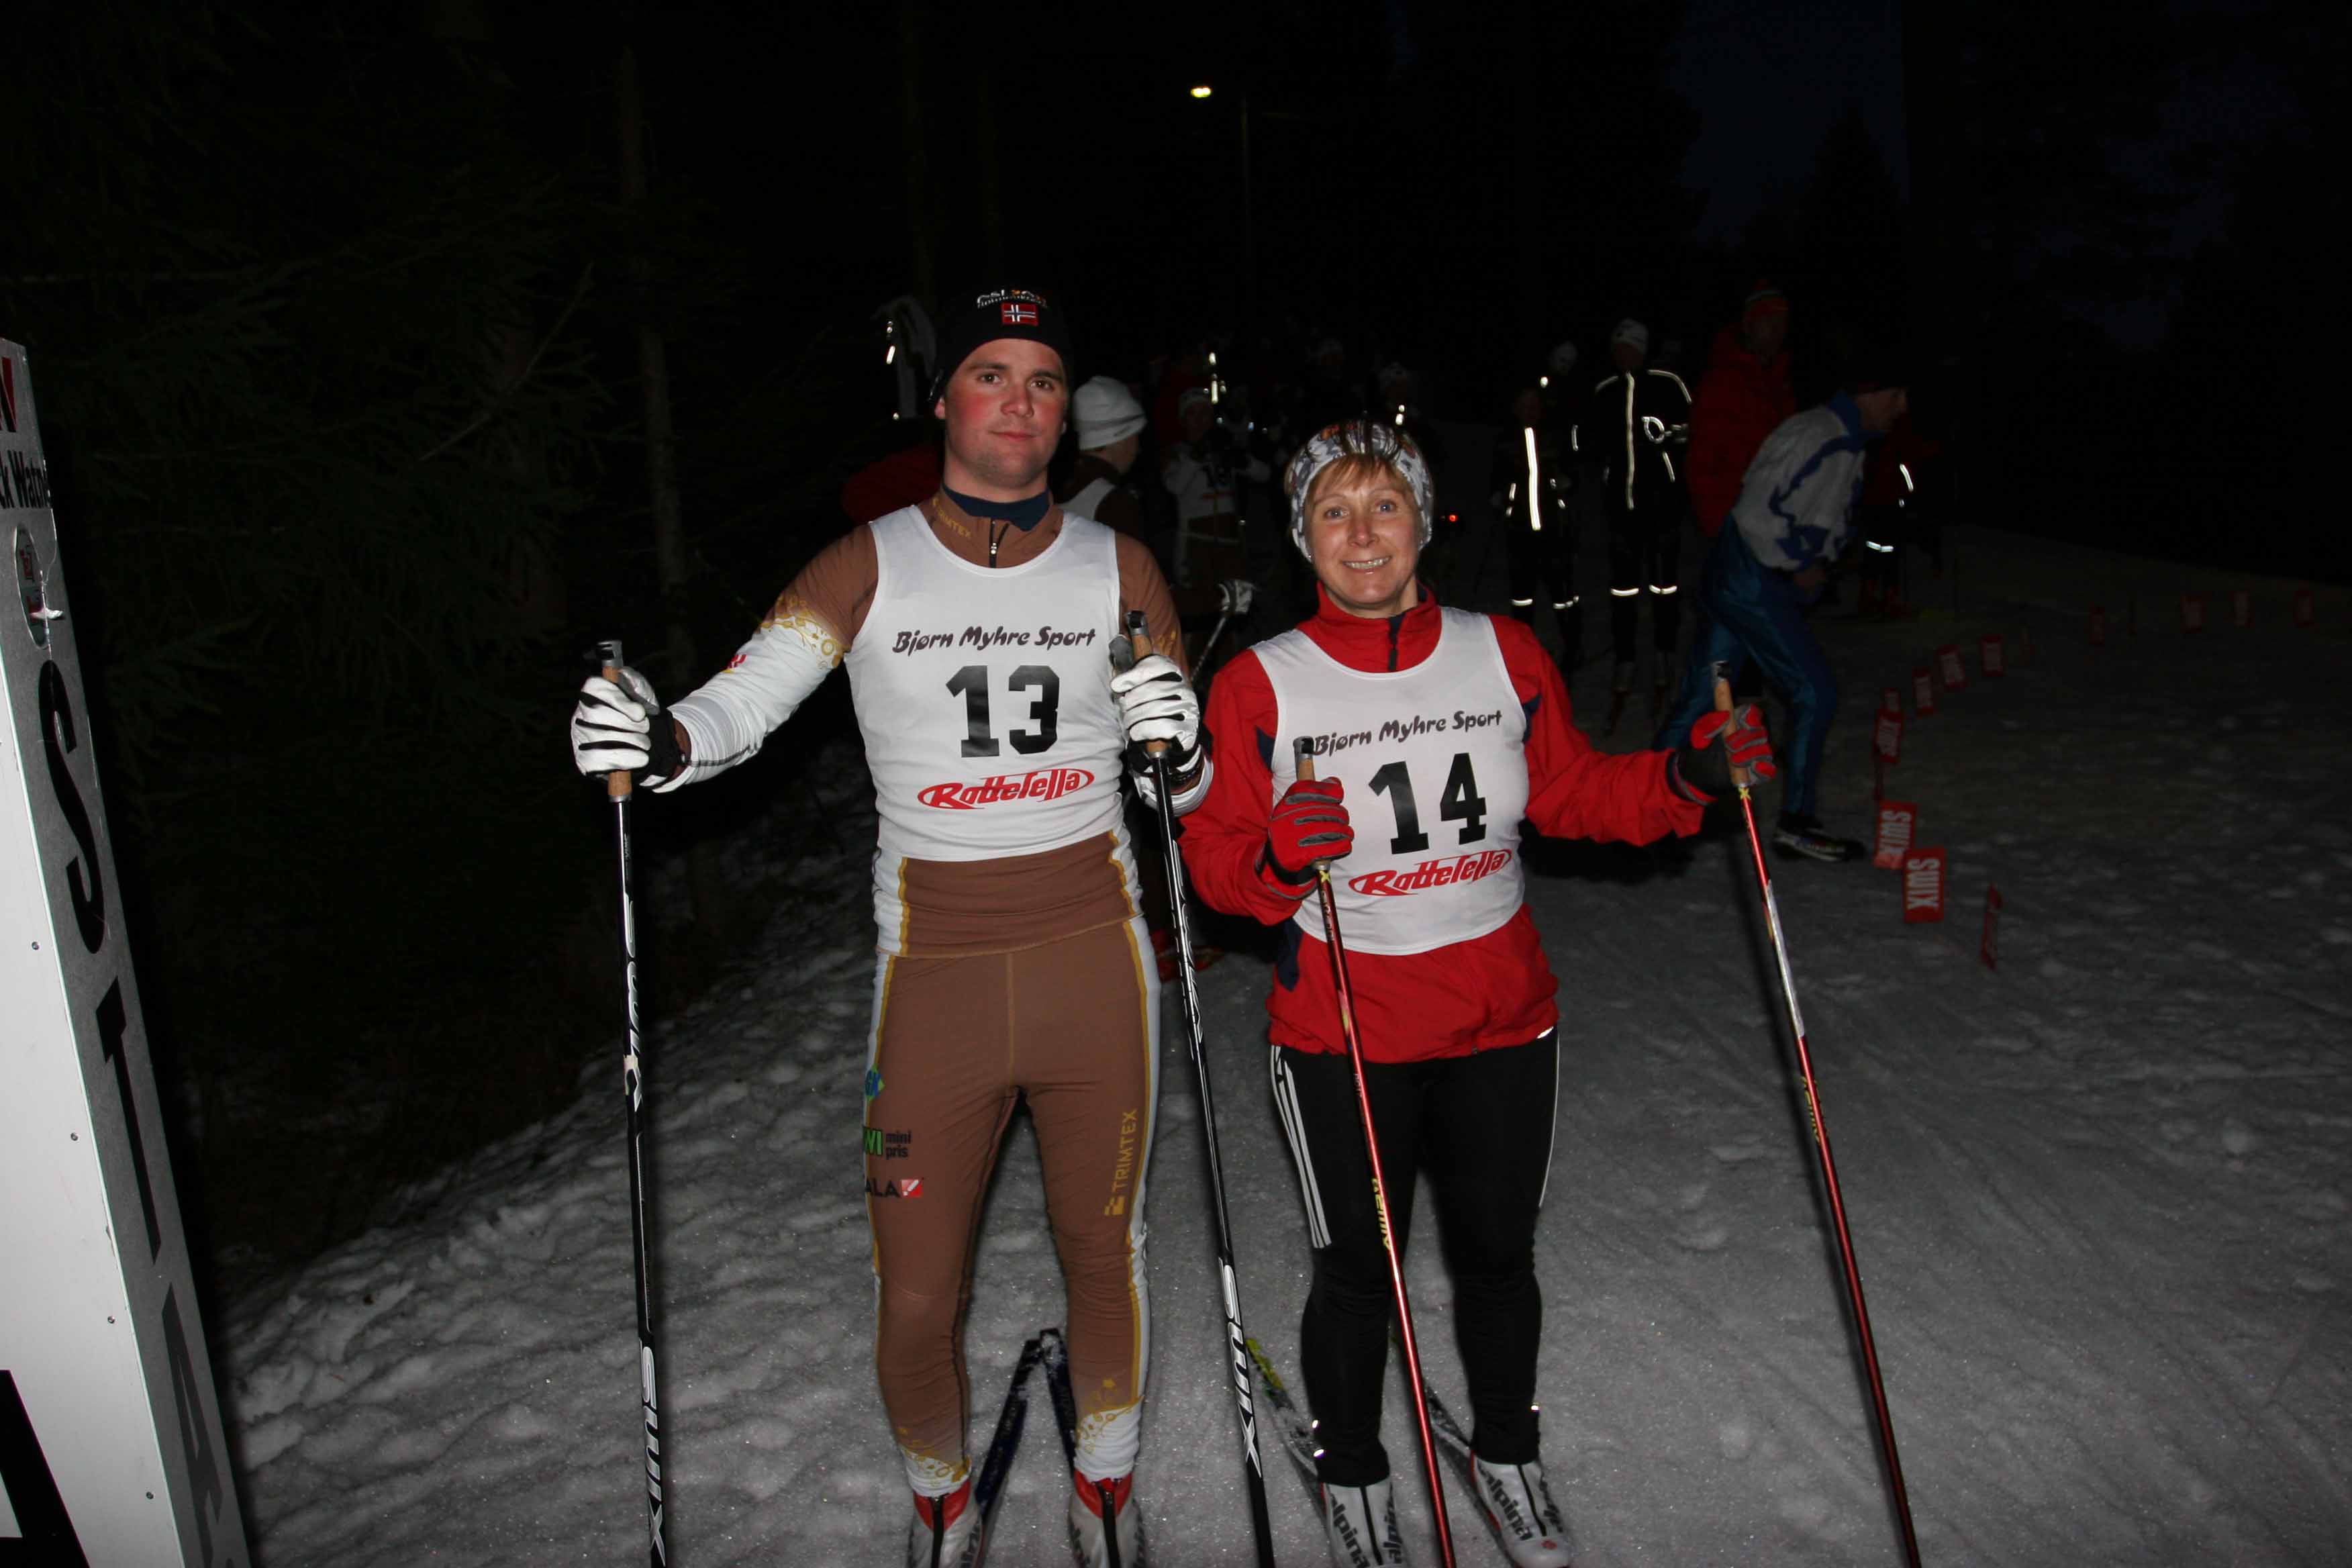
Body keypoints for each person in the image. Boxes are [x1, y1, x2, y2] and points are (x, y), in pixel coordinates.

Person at [570, 285, 1204, 1568]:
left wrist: (1178, 749)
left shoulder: (1117, 562)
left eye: (1040, 378)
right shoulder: (867, 556)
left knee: (1103, 1243)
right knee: (914, 1288)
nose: (1018, 400)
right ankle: (935, 1488)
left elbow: (1176, 776)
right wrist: (660, 734)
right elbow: (742, 705)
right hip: (937, 975)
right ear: (941, 398)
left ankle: (1107, 1481)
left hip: (1095, 954)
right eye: (990, 373)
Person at [1177, 418, 1773, 1567]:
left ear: (1420, 521)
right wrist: (1273, 859)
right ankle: (1352, 1464)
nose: (1362, 533)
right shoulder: (1260, 685)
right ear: (1303, 538)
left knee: (1497, 1259)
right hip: (1344, 1031)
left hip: (1503, 1018)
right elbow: (1214, 865)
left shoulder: (1499, 651)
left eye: (1383, 505)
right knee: (1360, 1269)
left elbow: (1570, 792)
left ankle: (1508, 1451)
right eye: (1333, 513)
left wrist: (1686, 773)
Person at [1655, 379, 1910, 863]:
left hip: (1749, 578)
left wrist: (1824, 558)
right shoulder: (1819, 433)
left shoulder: (1848, 441)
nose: (1902, 408)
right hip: (1753, 580)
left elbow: (1817, 513)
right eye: (1896, 395)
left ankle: (1641, 805)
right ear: (1869, 392)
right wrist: (1800, 562)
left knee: (1701, 693)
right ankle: (1797, 822)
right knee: (1815, 690)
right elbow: (1755, 511)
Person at [1575, 318, 1692, 727]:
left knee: (1664, 588)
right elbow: (1586, 440)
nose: (1622, 353)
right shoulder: (1605, 390)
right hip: (1620, 510)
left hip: (1662, 507)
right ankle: (1625, 660)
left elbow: (1692, 432)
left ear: (1642, 349)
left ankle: (1665, 655)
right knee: (1623, 591)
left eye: (1630, 347)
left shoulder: (1667, 383)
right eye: (1618, 346)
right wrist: (1579, 443)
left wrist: (1668, 435)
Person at [1685, 282, 1794, 540]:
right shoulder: (1724, 382)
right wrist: (1722, 530)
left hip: (1779, 527)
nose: (1777, 330)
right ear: (1749, 326)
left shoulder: (1783, 382)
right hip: (1738, 528)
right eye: (1768, 321)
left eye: (1782, 321)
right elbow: (1702, 465)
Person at [1489, 386, 1579, 669]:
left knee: (1563, 593)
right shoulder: (1506, 439)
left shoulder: (1554, 435)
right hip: (1519, 529)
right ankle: (1522, 649)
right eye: (1523, 404)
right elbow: (1495, 477)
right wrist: (1499, 496)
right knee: (1523, 596)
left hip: (1555, 527)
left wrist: (1565, 484)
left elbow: (1573, 469)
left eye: (1534, 405)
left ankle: (1573, 645)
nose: (1529, 410)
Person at [1059, 375, 1150, 540]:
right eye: (1136, 436)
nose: (1138, 449)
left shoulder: (1058, 487)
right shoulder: (1117, 505)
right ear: (1120, 439)